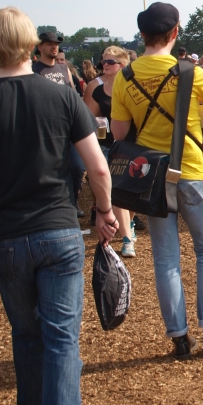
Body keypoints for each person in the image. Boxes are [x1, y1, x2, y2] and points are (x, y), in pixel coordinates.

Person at [0, 6, 118, 405]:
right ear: (33, 44)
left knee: (26, 331)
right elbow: (97, 166)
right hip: (58, 230)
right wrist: (106, 211)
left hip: (8, 238)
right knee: (61, 339)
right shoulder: (63, 96)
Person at [111, 2, 203, 360]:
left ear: (142, 35)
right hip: (193, 172)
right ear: (175, 33)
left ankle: (180, 338)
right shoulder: (190, 71)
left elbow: (120, 132)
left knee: (166, 258)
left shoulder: (125, 77)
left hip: (151, 177)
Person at [83, 46, 137, 257]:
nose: (105, 65)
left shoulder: (133, 85)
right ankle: (126, 240)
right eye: (103, 61)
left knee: (132, 192)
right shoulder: (96, 89)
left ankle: (129, 224)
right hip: (106, 146)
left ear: (122, 66)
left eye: (110, 62)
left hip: (132, 144)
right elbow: (87, 119)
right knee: (115, 192)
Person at [34, 32, 85, 217]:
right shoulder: (34, 70)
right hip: (47, 130)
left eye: (56, 44)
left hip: (69, 127)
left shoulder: (64, 70)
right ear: (40, 47)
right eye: (49, 44)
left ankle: (73, 202)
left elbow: (74, 95)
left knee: (78, 167)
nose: (54, 47)